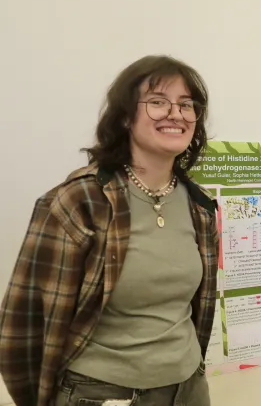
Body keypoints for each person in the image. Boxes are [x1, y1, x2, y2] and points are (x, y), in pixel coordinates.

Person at [0, 55, 220, 406]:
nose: (176, 114)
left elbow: (197, 311)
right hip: (101, 394)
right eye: (158, 102)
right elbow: (22, 325)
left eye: (186, 105)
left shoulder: (200, 206)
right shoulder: (80, 201)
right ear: (124, 117)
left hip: (188, 390)